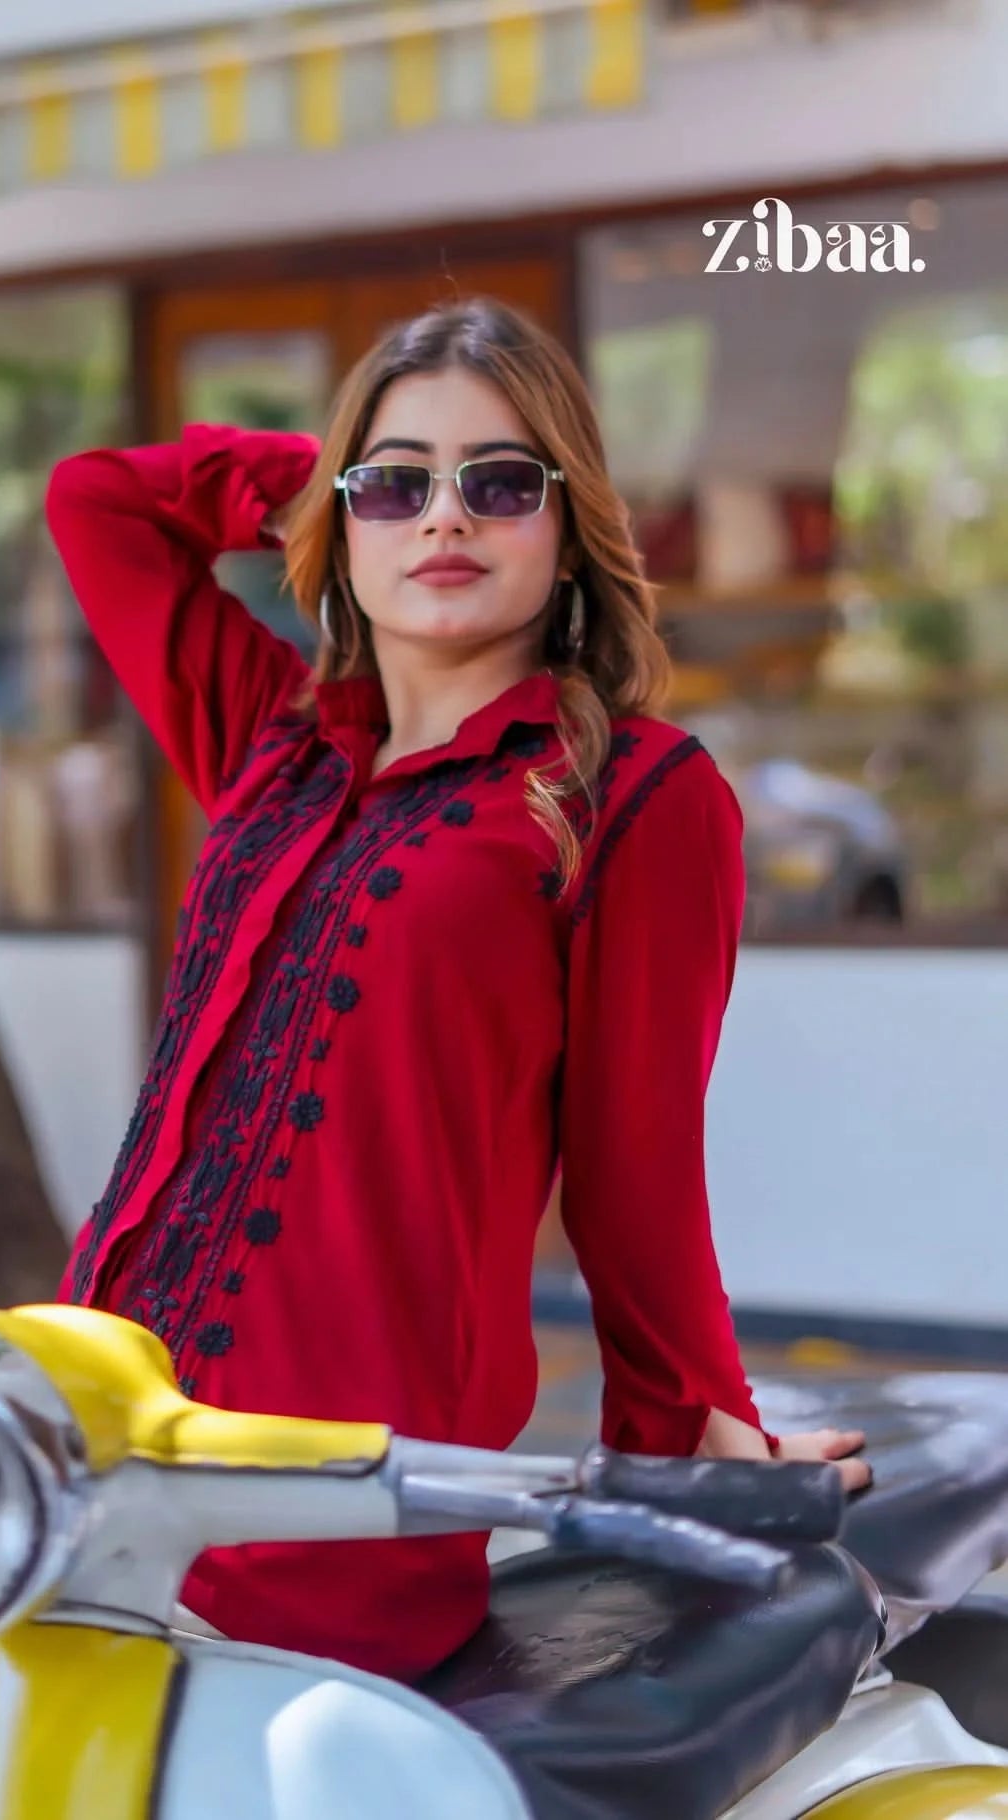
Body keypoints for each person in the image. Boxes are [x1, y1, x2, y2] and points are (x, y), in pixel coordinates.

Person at [45, 297, 868, 1684]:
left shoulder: (633, 798)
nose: (445, 520)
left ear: (566, 532)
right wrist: (308, 482)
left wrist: (693, 1425)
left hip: (336, 1512)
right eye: (399, 486)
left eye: (499, 484)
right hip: (83, 1451)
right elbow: (98, 504)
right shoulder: (271, 742)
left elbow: (635, 1173)